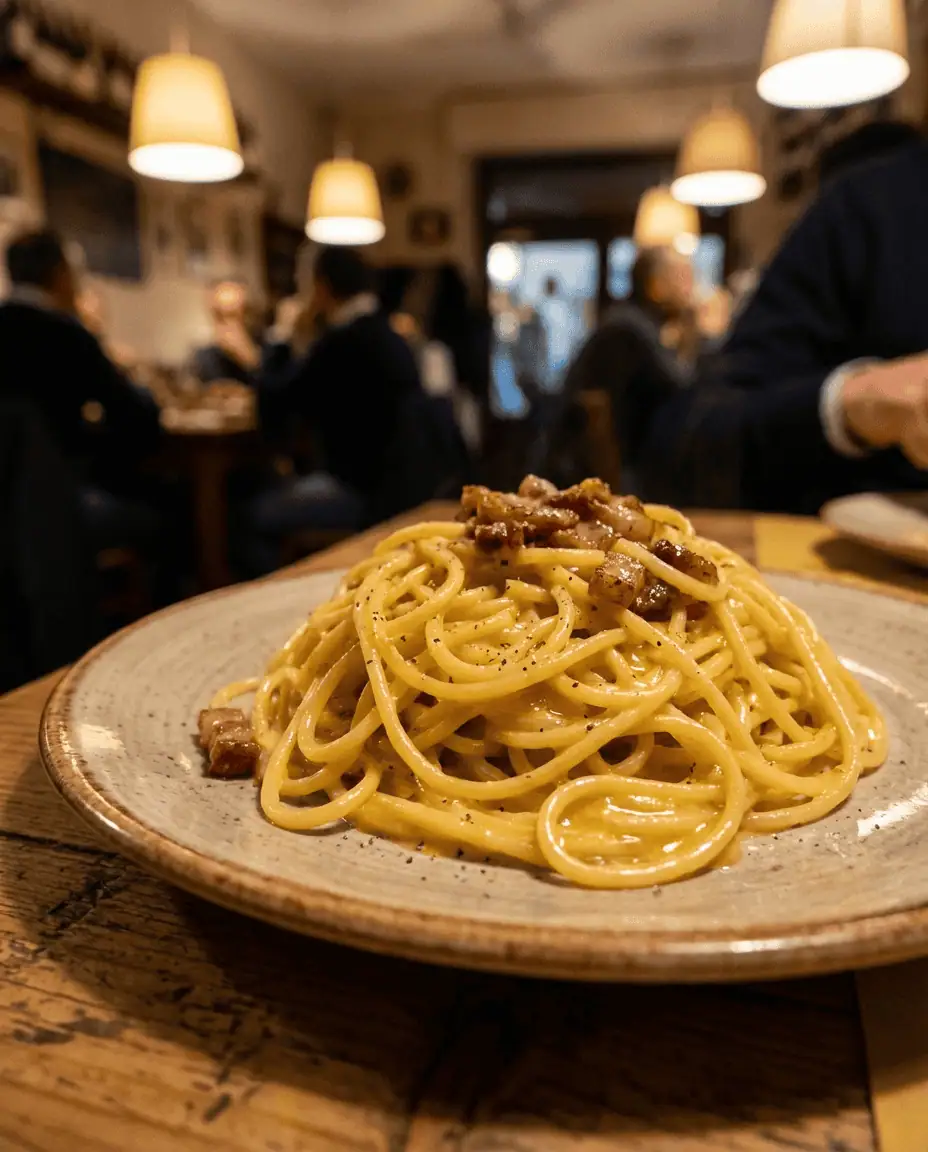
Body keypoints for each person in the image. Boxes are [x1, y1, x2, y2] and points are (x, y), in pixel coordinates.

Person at [641, 123, 928, 513]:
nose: (689, 282)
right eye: (680, 274)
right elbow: (690, 434)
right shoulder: (871, 209)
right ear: (655, 287)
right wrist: (861, 399)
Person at [241, 246, 437, 574]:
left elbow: (275, 401)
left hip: (363, 494)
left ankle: (266, 603)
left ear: (321, 286)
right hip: (406, 487)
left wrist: (281, 333)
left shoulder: (342, 340)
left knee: (250, 516)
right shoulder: (388, 333)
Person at [0, 229, 162, 553]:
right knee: (164, 512)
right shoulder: (66, 336)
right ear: (61, 274)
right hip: (59, 504)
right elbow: (137, 419)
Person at [552, 246, 696, 492]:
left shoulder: (631, 322)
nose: (693, 287)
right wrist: (700, 329)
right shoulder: (629, 327)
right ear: (655, 286)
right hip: (600, 478)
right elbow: (685, 391)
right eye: (684, 276)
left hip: (622, 466)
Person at [190, 280, 262, 386]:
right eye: (220, 316)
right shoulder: (204, 358)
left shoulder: (268, 351)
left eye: (233, 315)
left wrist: (250, 361)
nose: (228, 324)